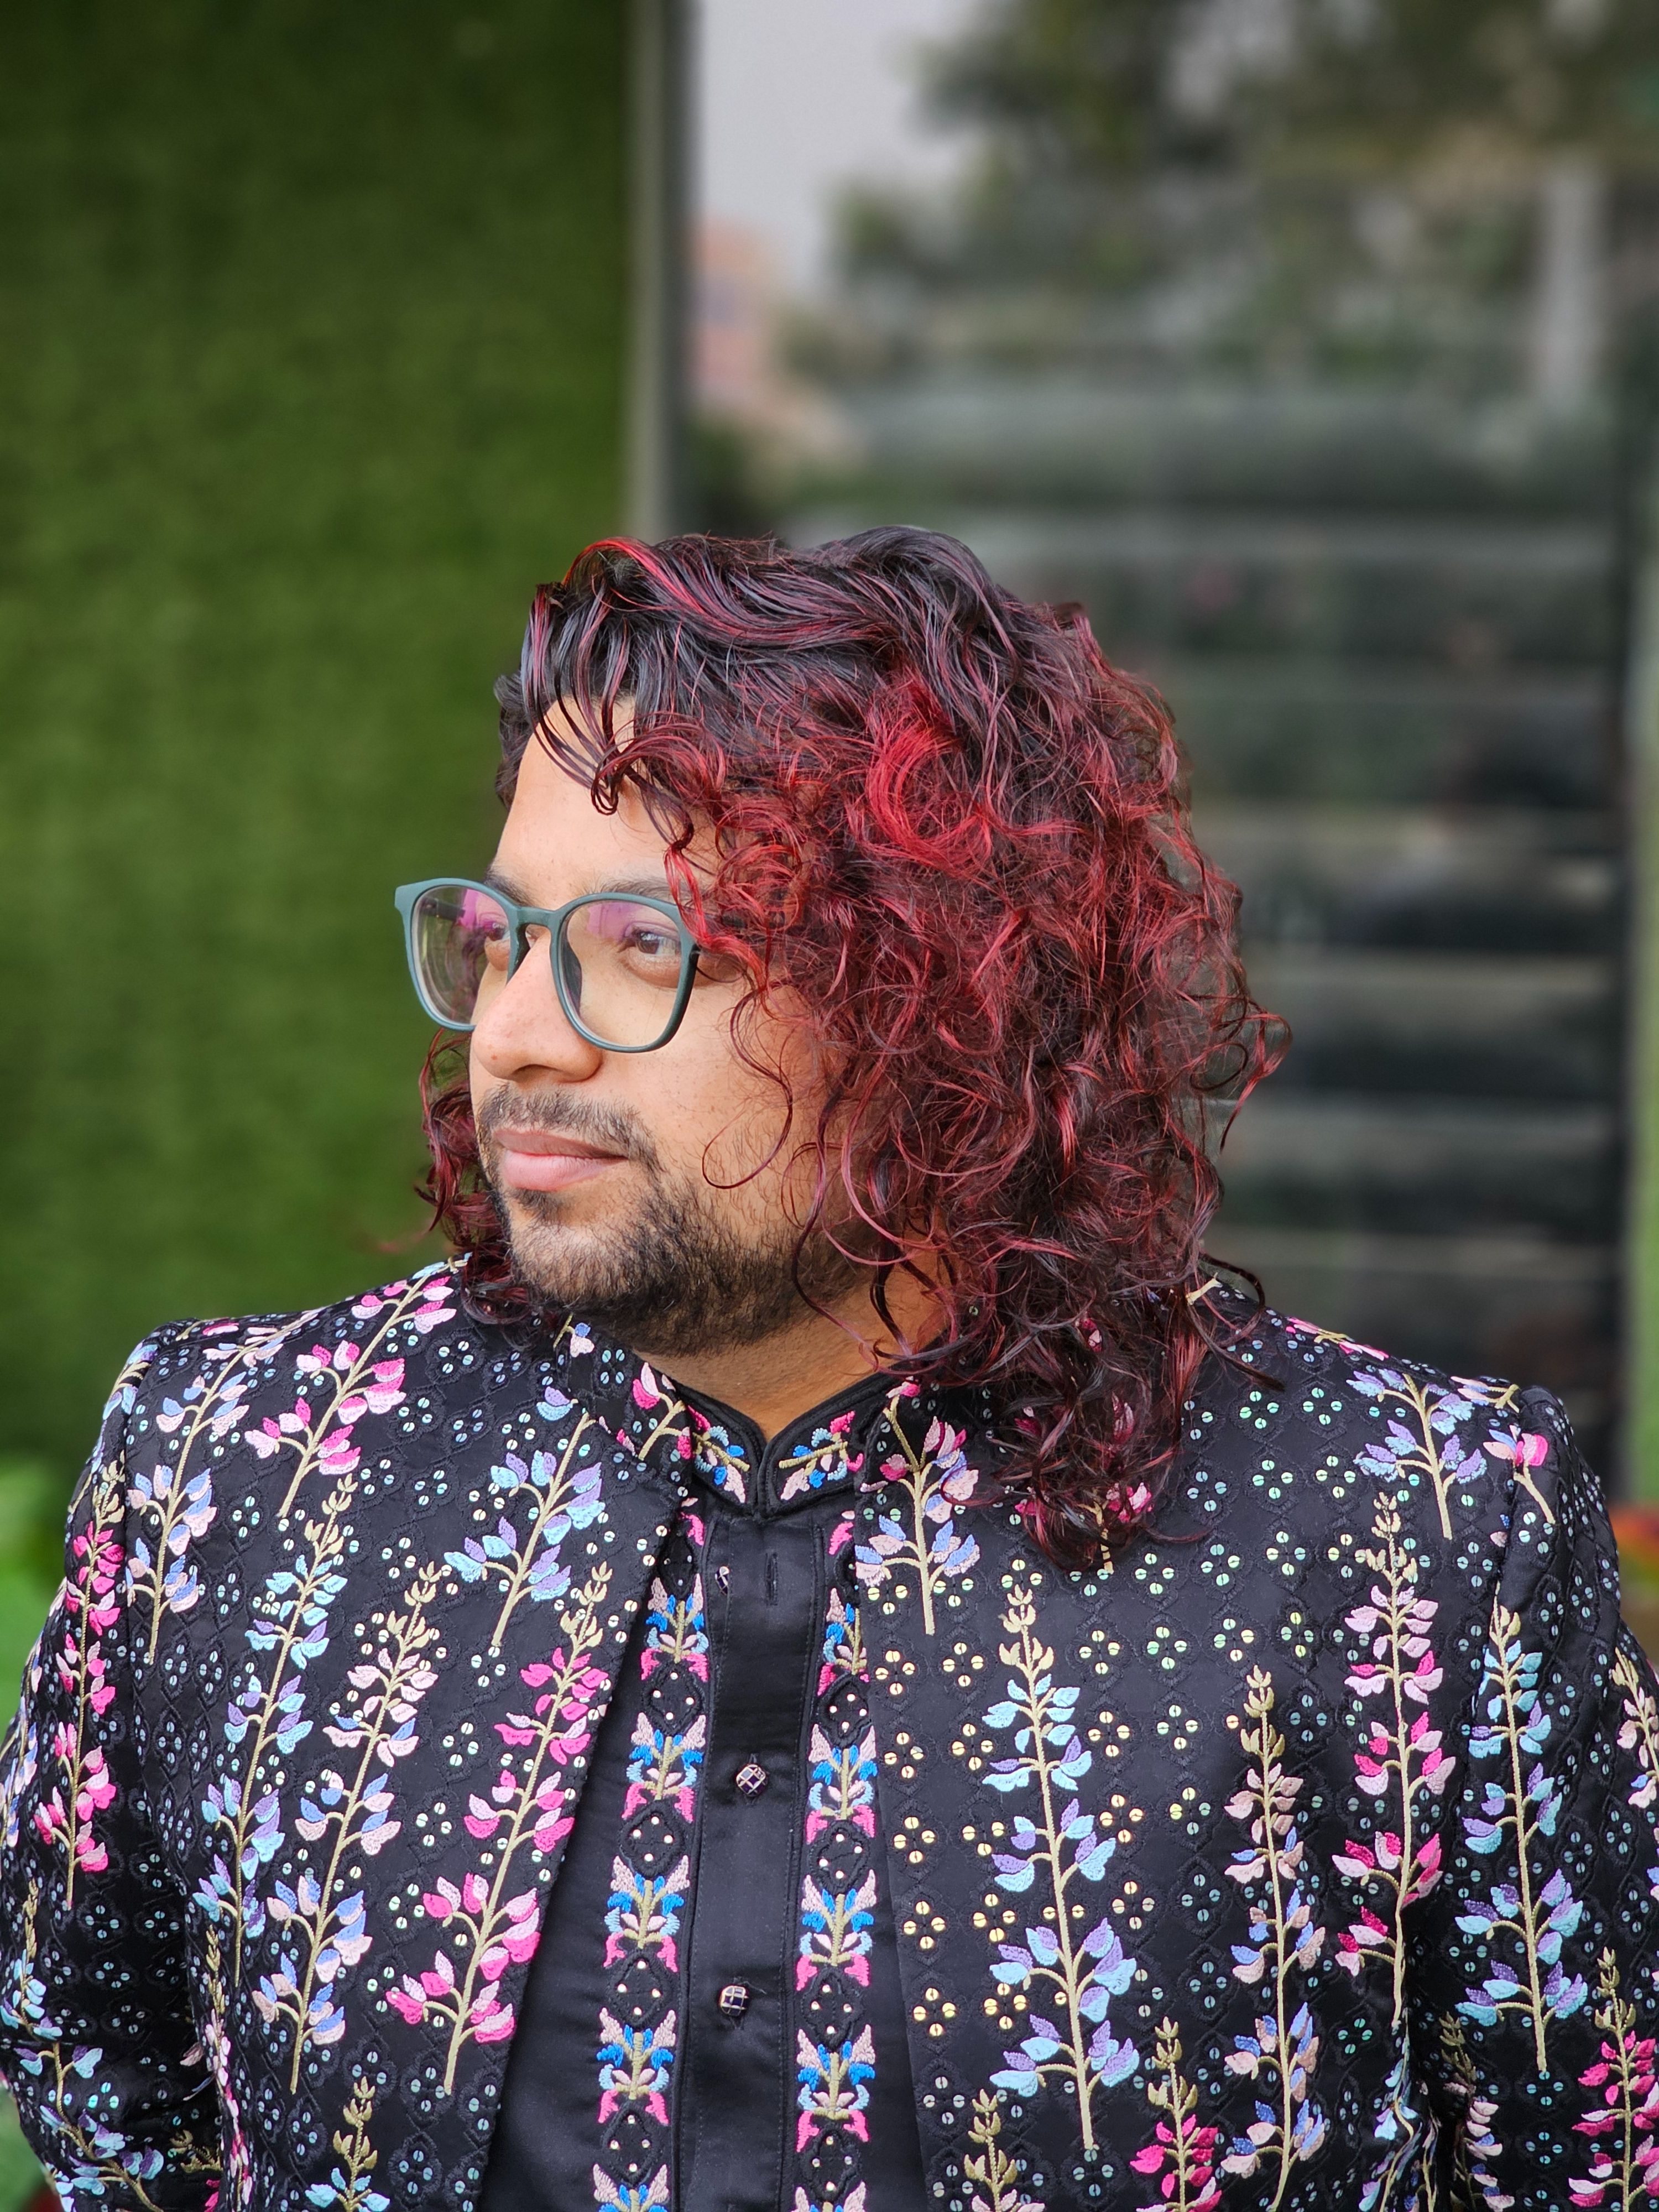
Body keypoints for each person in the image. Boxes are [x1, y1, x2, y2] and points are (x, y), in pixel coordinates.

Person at [0, 529, 1652, 2212]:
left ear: (942, 996)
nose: (515, 1031)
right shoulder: (248, 1475)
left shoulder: (1407, 1534)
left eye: (648, 945)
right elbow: (114, 2130)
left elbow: (1598, 2157)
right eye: (503, 934)